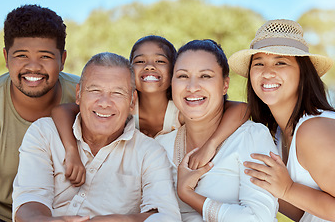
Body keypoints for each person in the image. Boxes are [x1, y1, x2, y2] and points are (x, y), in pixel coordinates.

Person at [229, 19, 335, 222]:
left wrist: (286, 189)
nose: (267, 72)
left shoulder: (316, 130)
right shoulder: (277, 136)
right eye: (258, 63)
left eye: (281, 63)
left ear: (302, 73)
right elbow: (313, 212)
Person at [11, 52, 182, 222]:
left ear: (132, 102)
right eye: (95, 91)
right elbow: (29, 198)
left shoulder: (150, 153)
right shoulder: (44, 133)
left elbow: (167, 218)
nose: (104, 103)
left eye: (117, 93)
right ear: (78, 95)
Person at [52, 35, 249, 186]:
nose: (149, 67)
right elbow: (61, 111)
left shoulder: (181, 110)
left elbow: (241, 109)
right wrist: (71, 151)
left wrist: (211, 145)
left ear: (174, 71)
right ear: (129, 71)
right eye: (139, 61)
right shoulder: (123, 107)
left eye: (160, 61)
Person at [156, 39, 280, 222]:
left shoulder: (251, 137)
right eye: (182, 76)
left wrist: (188, 195)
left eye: (205, 76)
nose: (192, 86)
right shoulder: (160, 147)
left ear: (225, 85)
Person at [0, 5, 79, 222]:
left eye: (45, 56)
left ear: (62, 59)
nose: (33, 66)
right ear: (6, 57)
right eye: (22, 56)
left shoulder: (85, 96)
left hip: (63, 211)